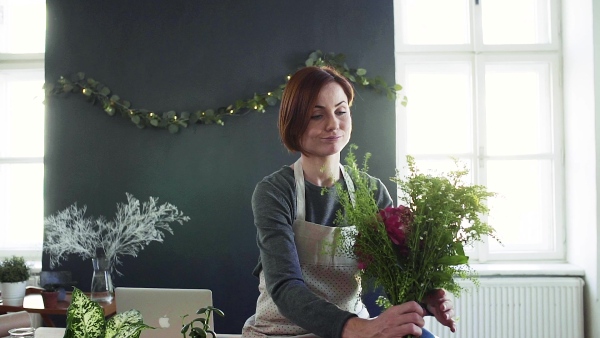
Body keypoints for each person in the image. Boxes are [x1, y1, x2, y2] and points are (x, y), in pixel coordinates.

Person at [241, 66, 456, 338]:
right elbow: (285, 287)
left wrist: (428, 296)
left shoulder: (371, 191)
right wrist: (358, 329)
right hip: (285, 332)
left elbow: (396, 273)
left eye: (341, 111)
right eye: (317, 115)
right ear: (293, 123)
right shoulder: (275, 192)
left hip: (359, 327)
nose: (333, 124)